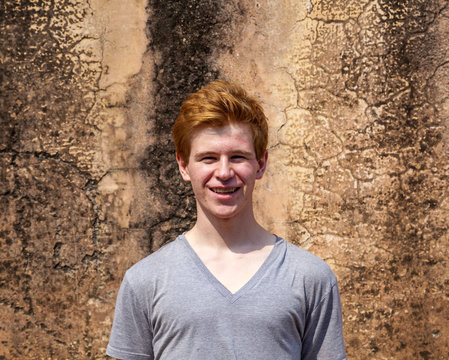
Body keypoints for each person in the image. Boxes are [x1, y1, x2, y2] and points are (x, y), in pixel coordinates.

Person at [106, 80, 347, 360]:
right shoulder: (144, 281)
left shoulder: (311, 278)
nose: (223, 172)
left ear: (261, 163)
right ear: (184, 166)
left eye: (237, 157)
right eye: (208, 158)